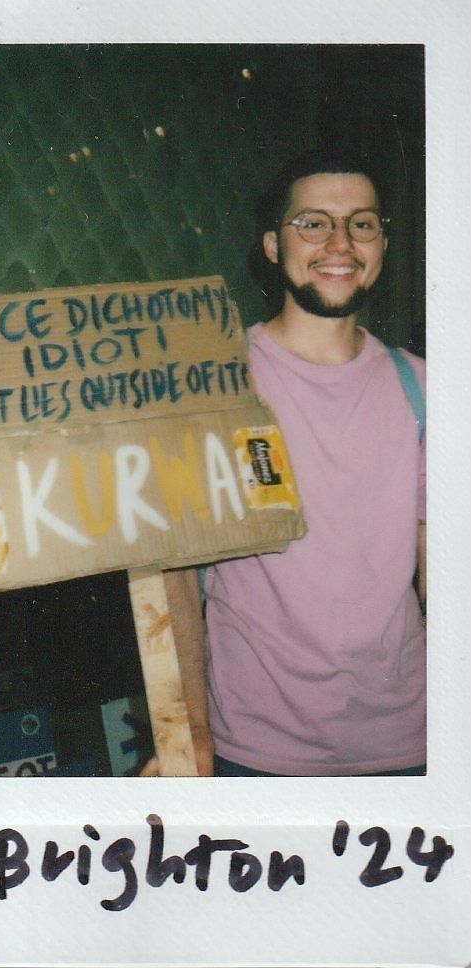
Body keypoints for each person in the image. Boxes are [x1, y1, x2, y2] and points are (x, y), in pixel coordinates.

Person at [142, 149, 426, 777]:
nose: (340, 243)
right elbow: (173, 576)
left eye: (362, 223)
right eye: (313, 223)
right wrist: (185, 734)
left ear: (381, 243)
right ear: (273, 245)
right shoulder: (213, 382)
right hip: (254, 750)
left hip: (411, 744)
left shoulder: (425, 389)